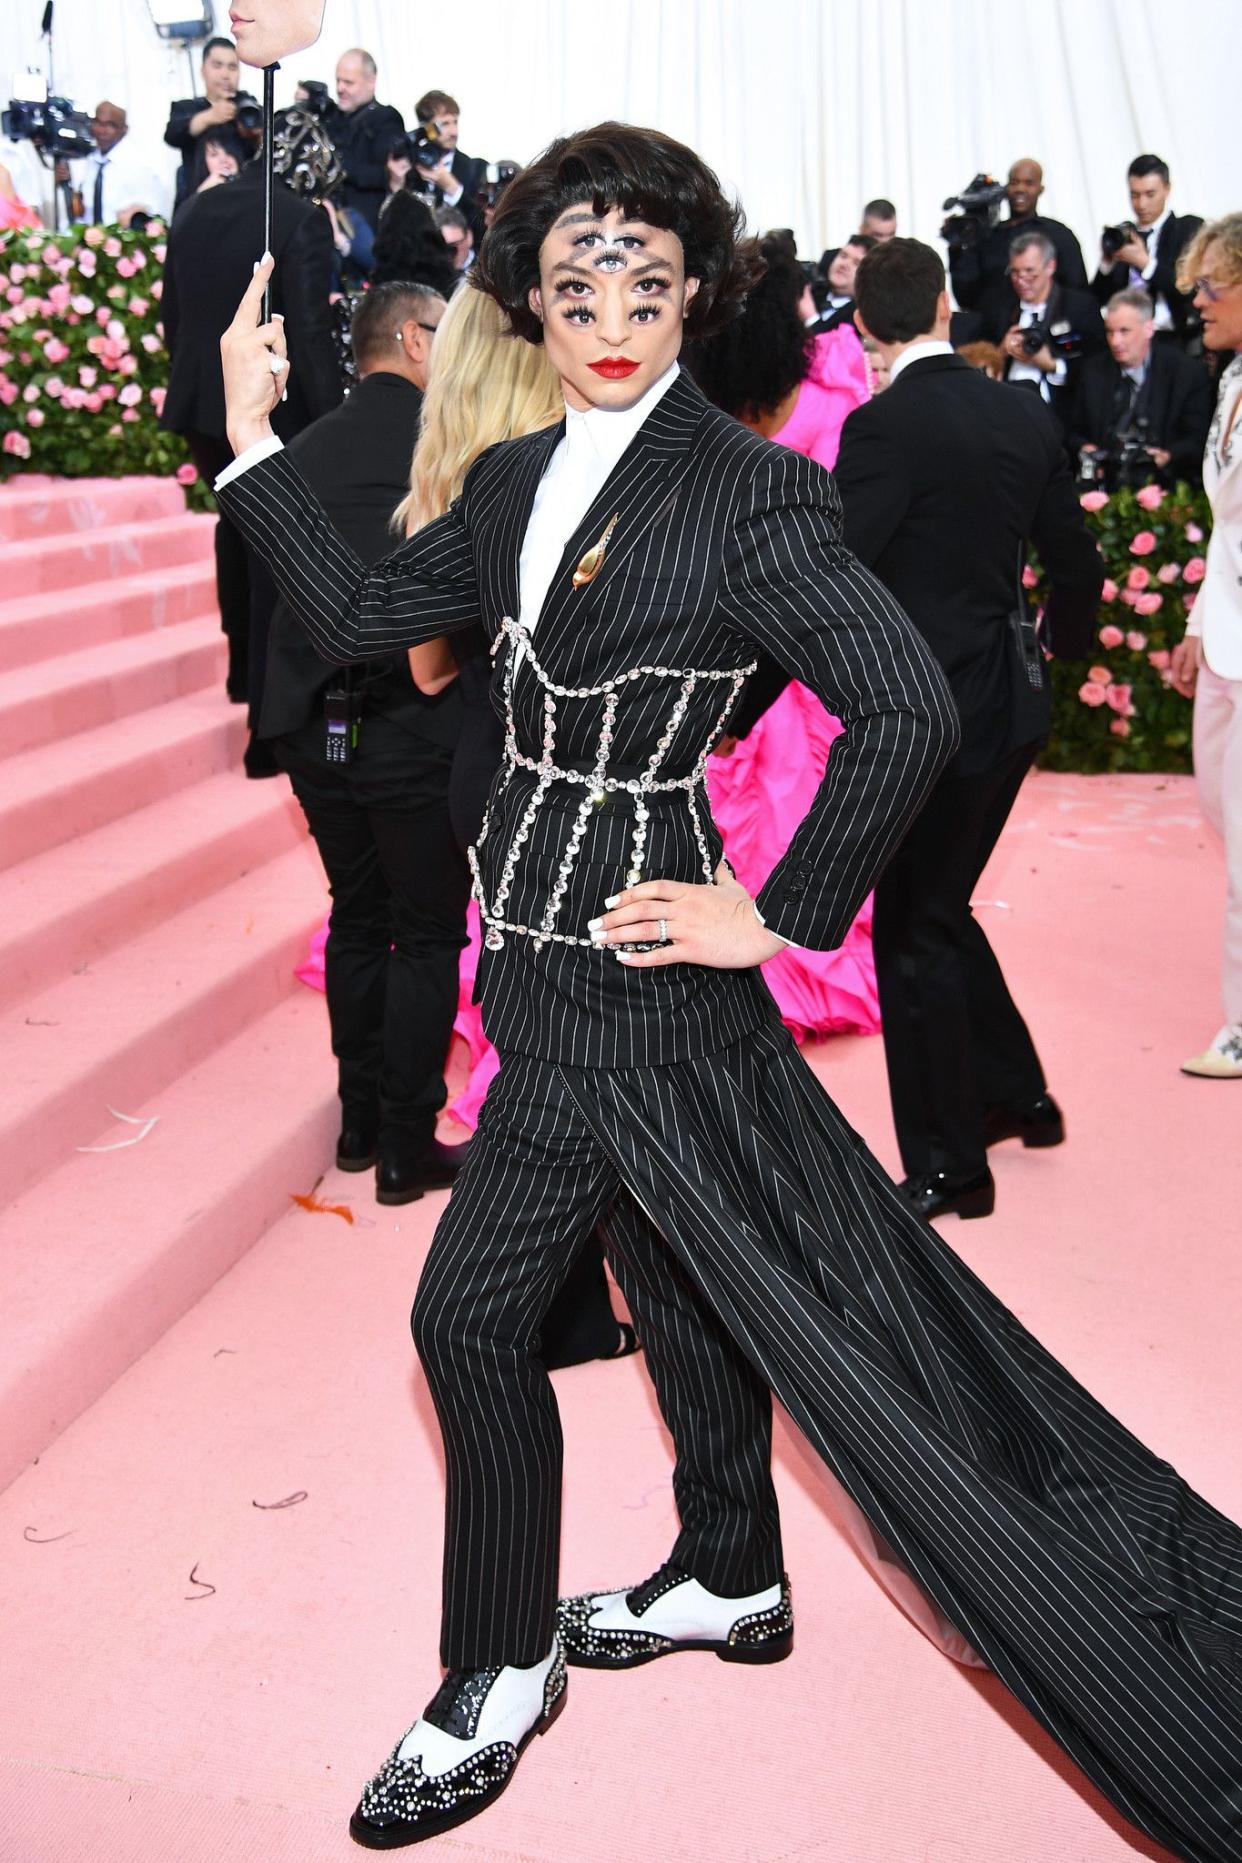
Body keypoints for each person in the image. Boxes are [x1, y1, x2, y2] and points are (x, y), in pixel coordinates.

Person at [215, 123, 1242, 1863]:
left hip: (634, 971)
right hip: (528, 952)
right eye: (572, 284)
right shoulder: (512, 477)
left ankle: (494, 1663)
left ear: (691, 293)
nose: (609, 313)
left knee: (467, 1320)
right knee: (681, 1278)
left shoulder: (751, 487)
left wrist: (775, 912)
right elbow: (377, 616)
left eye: (642, 280)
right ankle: (731, 1566)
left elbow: (907, 704)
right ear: (531, 309)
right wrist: (250, 437)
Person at [834, 235, 1103, 1217]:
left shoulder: (882, 428)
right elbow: (1075, 565)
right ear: (947, 307)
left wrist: (743, 703)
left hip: (926, 725)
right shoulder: (1017, 415)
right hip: (1010, 707)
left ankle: (953, 1167)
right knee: (938, 908)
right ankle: (1019, 1095)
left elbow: (831, 583)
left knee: (914, 929)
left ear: (866, 324)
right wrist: (1054, 652)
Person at [685, 234, 878, 1040]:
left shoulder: (708, 413)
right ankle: (792, 958)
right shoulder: (836, 407)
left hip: (726, 642)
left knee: (736, 807)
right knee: (801, 807)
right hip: (814, 645)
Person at [160, 110, 341, 722]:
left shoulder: (194, 209)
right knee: (273, 552)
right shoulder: (300, 220)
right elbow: (312, 334)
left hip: (198, 405)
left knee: (233, 532)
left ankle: (241, 676)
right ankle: (268, 717)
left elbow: (172, 320)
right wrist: (332, 418)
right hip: (267, 409)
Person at [1171, 213, 1242, 1080]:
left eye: (1213, 285)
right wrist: (1195, 624)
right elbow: (1226, 532)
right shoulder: (1227, 387)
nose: (1198, 301)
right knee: (1224, 825)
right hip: (1224, 642)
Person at [1070, 287, 1213, 489]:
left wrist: (1167, 456)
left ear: (1149, 329)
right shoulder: (1092, 371)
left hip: (1166, 486)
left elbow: (1197, 439)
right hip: (1104, 484)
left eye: (1124, 331)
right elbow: (1074, 433)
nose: (1115, 341)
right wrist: (1087, 450)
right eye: (1110, 332)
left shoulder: (1186, 373)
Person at [984, 229, 1106, 431]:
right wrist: (1001, 352)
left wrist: (1053, 365)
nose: (1021, 280)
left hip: (1061, 415)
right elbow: (978, 364)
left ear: (1050, 266)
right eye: (1015, 272)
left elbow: (1098, 366)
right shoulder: (1001, 310)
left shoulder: (1079, 307)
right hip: (1008, 415)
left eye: (1030, 271)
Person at [950, 157, 1088, 316]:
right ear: (1005, 188)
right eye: (1014, 183)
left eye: (1029, 183)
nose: (1020, 189)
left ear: (1040, 189)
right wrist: (957, 247)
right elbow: (965, 297)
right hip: (992, 332)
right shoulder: (988, 237)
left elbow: (1078, 292)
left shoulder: (1059, 235)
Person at [1092, 154, 1203, 346]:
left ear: (1167, 189)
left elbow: (1188, 289)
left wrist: (1145, 264)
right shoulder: (1124, 235)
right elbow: (1096, 300)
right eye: (1134, 195)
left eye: (1150, 194)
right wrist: (1107, 264)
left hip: (1174, 339)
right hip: (1126, 340)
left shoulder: (1187, 229)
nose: (1141, 204)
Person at [322, 48, 405, 233]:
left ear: (371, 82)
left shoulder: (386, 119)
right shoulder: (329, 116)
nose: (340, 88)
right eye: (338, 80)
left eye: (348, 82)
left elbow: (386, 174)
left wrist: (336, 166)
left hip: (364, 224)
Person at [165, 36, 242, 207]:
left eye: (232, 67)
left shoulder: (246, 109)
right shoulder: (186, 108)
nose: (225, 75)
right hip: (198, 203)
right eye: (217, 66)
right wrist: (210, 116)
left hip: (242, 202)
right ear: (203, 71)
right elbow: (172, 134)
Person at [65, 100, 165, 225]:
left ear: (124, 129)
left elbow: (154, 213)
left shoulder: (138, 165)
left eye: (110, 125)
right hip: (89, 239)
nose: (102, 130)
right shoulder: (86, 162)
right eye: (98, 123)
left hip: (126, 241)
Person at [410, 88, 486, 248]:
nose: (453, 132)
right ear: (427, 128)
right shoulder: (411, 170)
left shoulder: (476, 168)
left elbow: (483, 227)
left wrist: (453, 189)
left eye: (455, 122)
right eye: (444, 124)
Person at [813, 231, 874, 331]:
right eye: (843, 256)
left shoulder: (862, 318)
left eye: (856, 263)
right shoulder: (812, 292)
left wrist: (810, 318)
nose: (844, 265)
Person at [435, 204, 475, 274]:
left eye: (454, 245)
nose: (449, 253)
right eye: (443, 247)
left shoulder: (489, 268)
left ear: (469, 237)